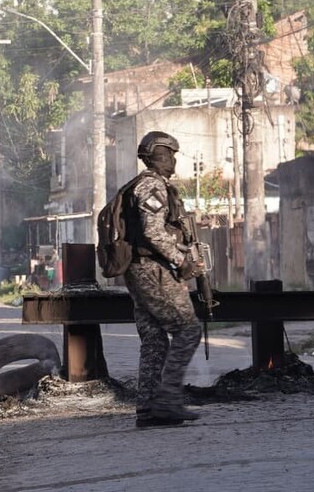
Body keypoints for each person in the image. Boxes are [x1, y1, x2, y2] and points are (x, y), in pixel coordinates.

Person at [122, 131, 204, 428]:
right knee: (188, 330)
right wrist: (182, 261)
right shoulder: (152, 186)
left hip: (141, 270)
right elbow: (153, 232)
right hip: (152, 271)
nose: (174, 160)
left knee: (155, 339)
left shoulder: (145, 185)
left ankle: (148, 408)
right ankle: (168, 400)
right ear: (156, 154)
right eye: (170, 154)